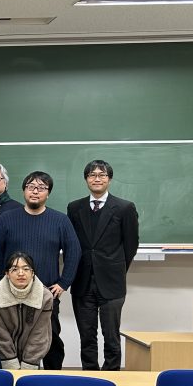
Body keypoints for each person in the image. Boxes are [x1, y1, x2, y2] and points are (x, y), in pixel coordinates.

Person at [0, 171, 79, 370]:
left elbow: (74, 251)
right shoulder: (7, 218)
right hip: (11, 292)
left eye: (41, 188)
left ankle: (52, 379)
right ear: (24, 191)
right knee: (11, 339)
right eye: (31, 187)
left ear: (48, 193)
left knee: (50, 339)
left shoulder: (60, 220)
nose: (35, 191)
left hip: (46, 292)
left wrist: (64, 283)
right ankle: (15, 378)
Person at [66, 159, 140, 371]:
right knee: (87, 336)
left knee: (111, 336)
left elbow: (131, 245)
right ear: (86, 179)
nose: (97, 179)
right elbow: (72, 244)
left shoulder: (124, 208)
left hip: (112, 282)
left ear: (109, 179)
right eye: (92, 175)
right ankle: (90, 376)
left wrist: (116, 269)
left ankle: (112, 376)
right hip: (82, 281)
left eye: (102, 175)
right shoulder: (75, 207)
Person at [0, 251, 53, 370]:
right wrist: (10, 361)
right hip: (1, 349)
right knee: (7, 380)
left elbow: (40, 333)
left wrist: (29, 363)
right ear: (7, 273)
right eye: (15, 269)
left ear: (32, 273)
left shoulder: (45, 295)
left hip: (33, 349)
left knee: (28, 380)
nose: (21, 273)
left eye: (26, 269)